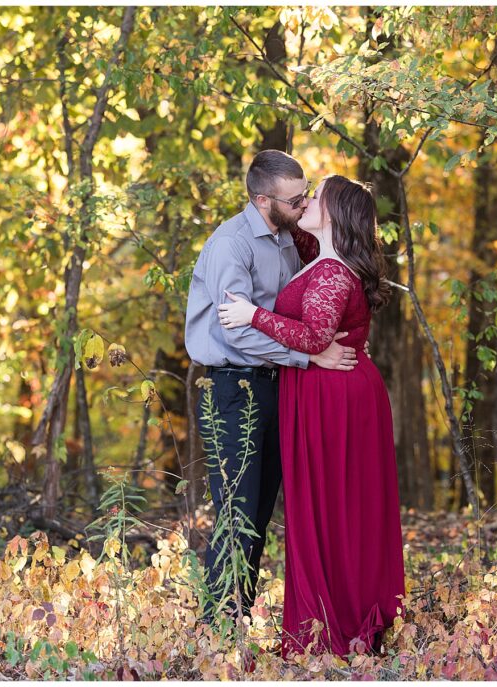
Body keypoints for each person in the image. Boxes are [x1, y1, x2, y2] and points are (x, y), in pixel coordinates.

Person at [218, 174, 406, 659]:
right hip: (324, 391)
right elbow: (284, 219)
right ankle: (331, 621)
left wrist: (250, 314)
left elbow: (314, 337)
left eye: (316, 196)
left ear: (335, 215)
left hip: (335, 398)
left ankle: (332, 627)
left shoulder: (331, 273)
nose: (306, 201)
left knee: (334, 511)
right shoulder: (318, 254)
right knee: (330, 510)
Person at [184, 150, 360, 625]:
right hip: (235, 389)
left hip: (278, 387)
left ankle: (236, 617)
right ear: (264, 200)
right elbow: (235, 331)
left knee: (259, 514)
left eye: (306, 196)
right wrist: (309, 355)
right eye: (296, 199)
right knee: (236, 511)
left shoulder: (286, 237)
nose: (304, 205)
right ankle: (217, 625)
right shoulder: (231, 245)